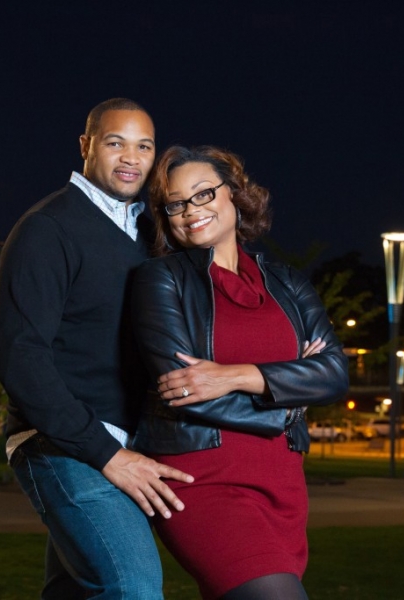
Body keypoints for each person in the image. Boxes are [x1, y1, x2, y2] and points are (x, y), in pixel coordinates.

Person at [0, 99, 193, 599]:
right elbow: (21, 359)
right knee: (133, 588)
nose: (131, 157)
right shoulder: (49, 229)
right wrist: (110, 455)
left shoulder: (148, 234)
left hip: (124, 446)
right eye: (115, 142)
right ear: (86, 146)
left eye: (143, 146)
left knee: (77, 592)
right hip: (65, 444)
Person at [131, 145, 349, 600]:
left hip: (283, 484)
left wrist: (236, 375)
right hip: (200, 480)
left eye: (204, 193)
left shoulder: (288, 283)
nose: (192, 211)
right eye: (176, 203)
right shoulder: (161, 279)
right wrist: (289, 399)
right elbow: (184, 388)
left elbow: (332, 373)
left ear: (233, 195)